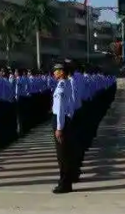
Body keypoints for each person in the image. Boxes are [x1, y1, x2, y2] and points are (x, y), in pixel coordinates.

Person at [51, 62, 73, 194]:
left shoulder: (61, 86)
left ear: (62, 72)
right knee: (65, 153)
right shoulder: (68, 84)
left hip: (61, 121)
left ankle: (64, 183)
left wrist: (59, 127)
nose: (54, 73)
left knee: (62, 154)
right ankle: (66, 182)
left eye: (56, 71)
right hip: (67, 120)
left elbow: (60, 109)